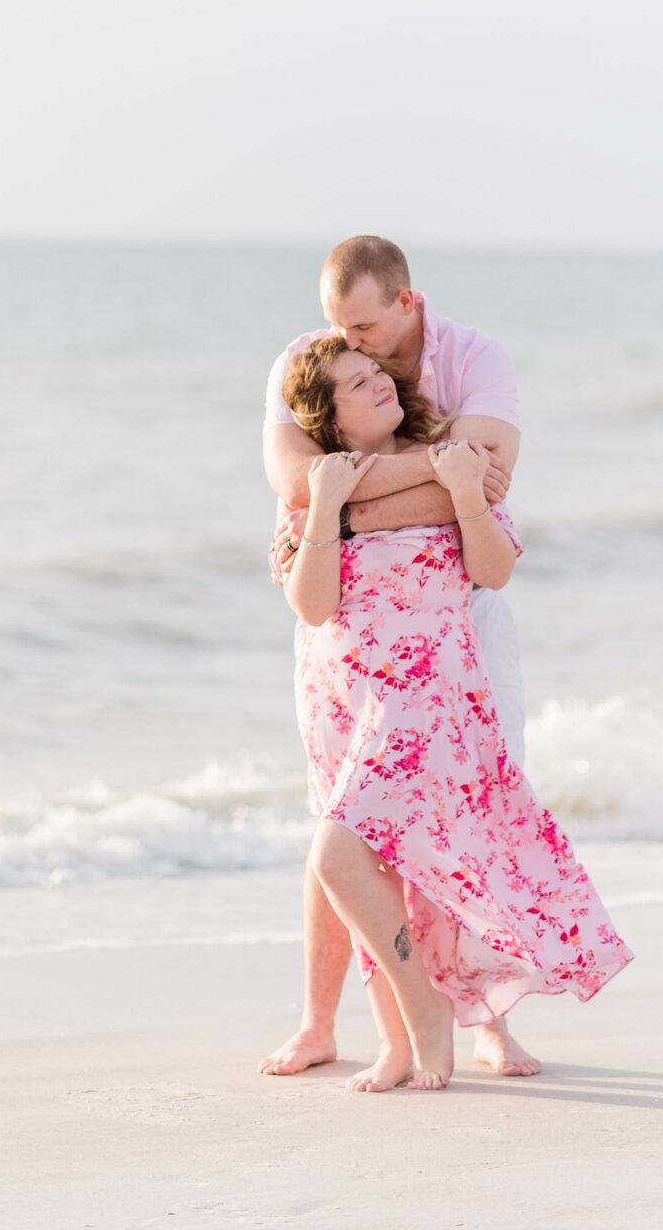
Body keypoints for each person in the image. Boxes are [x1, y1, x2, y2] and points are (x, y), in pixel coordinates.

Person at [270, 334, 632, 1091]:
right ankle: (397, 1043)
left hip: (429, 705)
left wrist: (466, 495)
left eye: (377, 371)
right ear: (329, 420)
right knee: (371, 870)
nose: (379, 383)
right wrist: (329, 503)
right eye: (357, 383)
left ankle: (435, 1020)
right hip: (349, 706)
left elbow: (494, 571)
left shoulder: (452, 459)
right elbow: (311, 604)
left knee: (340, 857)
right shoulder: (316, 492)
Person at [258, 235, 531, 1079]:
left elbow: (484, 484)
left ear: (407, 305)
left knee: (469, 811)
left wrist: (347, 499)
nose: (348, 343)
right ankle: (325, 1022)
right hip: (345, 634)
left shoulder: (475, 359)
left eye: (365, 329)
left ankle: (480, 1016)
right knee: (341, 825)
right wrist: (427, 484)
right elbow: (296, 483)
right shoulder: (311, 359)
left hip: (455, 620)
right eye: (337, 324)